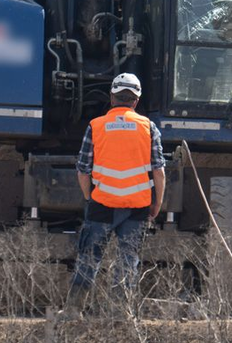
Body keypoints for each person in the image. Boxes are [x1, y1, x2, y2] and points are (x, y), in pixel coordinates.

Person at [65, 72, 165, 313]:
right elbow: (159, 172)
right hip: (137, 206)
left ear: (112, 98)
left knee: (89, 258)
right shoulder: (149, 128)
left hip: (102, 203)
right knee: (127, 261)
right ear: (136, 101)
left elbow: (83, 170)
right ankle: (120, 313)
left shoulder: (96, 126)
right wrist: (156, 204)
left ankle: (73, 311)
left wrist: (91, 198)